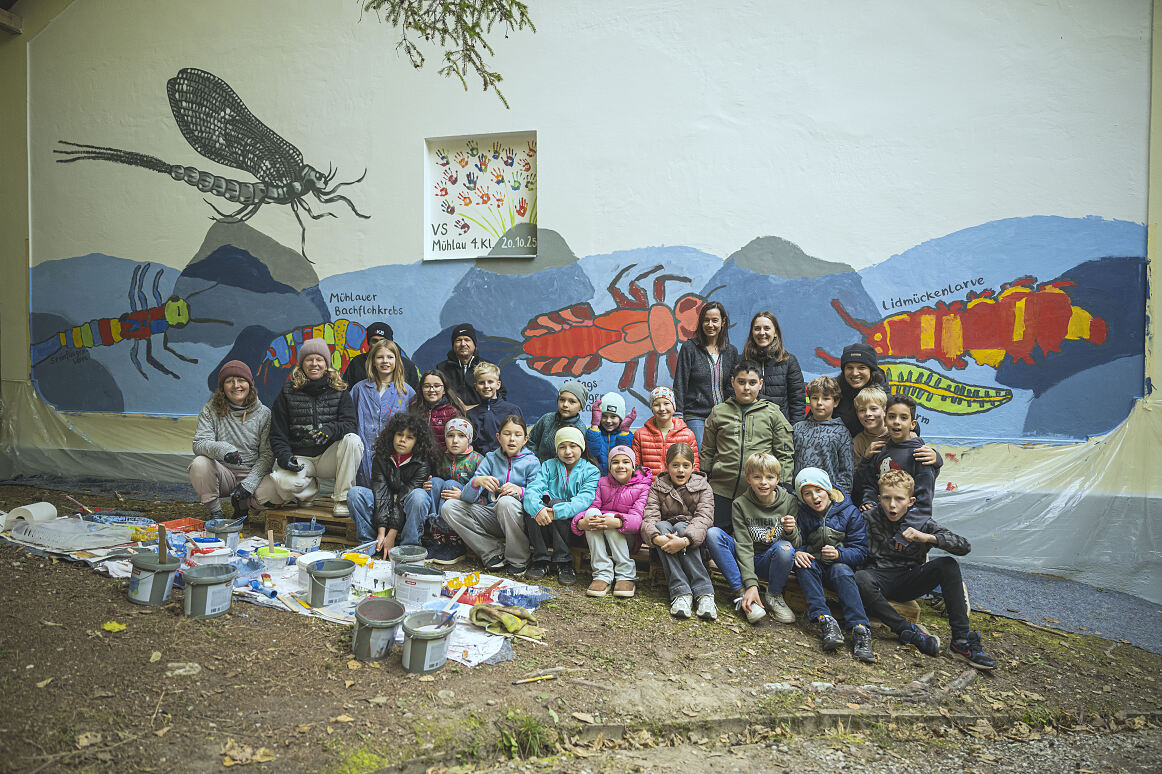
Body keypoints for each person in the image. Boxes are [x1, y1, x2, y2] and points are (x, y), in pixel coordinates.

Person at [855, 469, 997, 670]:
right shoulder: (867, 518)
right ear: (879, 498)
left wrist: (929, 538)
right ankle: (908, 631)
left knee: (948, 565)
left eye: (899, 499)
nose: (892, 505)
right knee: (860, 578)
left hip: (909, 579)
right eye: (886, 498)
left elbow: (964, 546)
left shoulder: (921, 522)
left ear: (911, 501)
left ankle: (961, 642)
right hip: (877, 577)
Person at [263, 339, 362, 517]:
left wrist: (330, 430)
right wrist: (285, 458)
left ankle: (341, 499)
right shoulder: (287, 392)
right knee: (281, 482)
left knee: (353, 441)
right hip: (301, 458)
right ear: (302, 364)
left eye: (319, 359)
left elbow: (350, 425)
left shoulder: (340, 390)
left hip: (329, 458)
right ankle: (308, 490)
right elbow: (278, 434)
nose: (314, 364)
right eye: (309, 359)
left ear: (326, 364)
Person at [790, 467, 875, 663]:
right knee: (805, 566)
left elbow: (861, 551)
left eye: (818, 490)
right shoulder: (801, 513)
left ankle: (860, 629)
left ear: (827, 490)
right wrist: (799, 551)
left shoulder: (849, 512)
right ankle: (825, 621)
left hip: (839, 566)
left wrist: (840, 554)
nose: (815, 498)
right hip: (814, 563)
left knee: (842, 571)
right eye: (807, 493)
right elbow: (797, 539)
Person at [701, 360, 795, 534]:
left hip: (757, 492)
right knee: (715, 537)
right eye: (741, 382)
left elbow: (785, 453)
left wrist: (785, 484)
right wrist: (704, 474)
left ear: (760, 384)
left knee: (752, 540)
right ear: (732, 382)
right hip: (721, 489)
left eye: (752, 383)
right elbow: (708, 449)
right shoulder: (719, 412)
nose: (746, 388)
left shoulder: (772, 413)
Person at [704, 453, 798, 625]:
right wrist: (751, 585)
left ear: (778, 479)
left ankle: (773, 595)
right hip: (744, 558)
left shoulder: (789, 502)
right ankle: (742, 595)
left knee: (785, 548)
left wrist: (791, 531)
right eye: (757, 477)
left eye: (769, 477)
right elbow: (744, 544)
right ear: (748, 478)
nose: (763, 482)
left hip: (768, 560)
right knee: (713, 534)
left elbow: (795, 545)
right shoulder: (740, 504)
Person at [442, 414, 541, 574]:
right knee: (450, 507)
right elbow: (467, 498)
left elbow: (538, 493)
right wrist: (476, 482)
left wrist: (520, 491)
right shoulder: (490, 459)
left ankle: (518, 559)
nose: (512, 439)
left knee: (506, 502)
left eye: (517, 435)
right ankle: (493, 552)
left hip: (520, 520)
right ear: (498, 437)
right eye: (507, 434)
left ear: (525, 439)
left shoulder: (532, 462)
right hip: (492, 515)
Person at [188, 360, 275, 518]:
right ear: (222, 387)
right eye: (230, 381)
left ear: (250, 384)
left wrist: (249, 484)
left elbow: (268, 454)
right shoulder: (211, 409)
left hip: (252, 473)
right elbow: (199, 443)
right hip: (223, 474)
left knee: (280, 489)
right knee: (199, 463)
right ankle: (216, 512)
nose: (236, 385)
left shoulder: (264, 413)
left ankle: (244, 505)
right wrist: (223, 450)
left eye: (241, 380)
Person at [641, 442, 716, 620]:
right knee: (661, 527)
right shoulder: (658, 486)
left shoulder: (704, 487)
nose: (680, 470)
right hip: (666, 539)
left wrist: (684, 541)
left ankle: (704, 593)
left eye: (685, 466)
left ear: (693, 467)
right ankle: (681, 593)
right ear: (667, 467)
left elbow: (704, 518)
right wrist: (657, 539)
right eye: (675, 465)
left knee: (682, 527)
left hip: (694, 541)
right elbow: (649, 518)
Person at [522, 427, 601, 585]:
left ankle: (564, 562)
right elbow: (533, 489)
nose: (568, 451)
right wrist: (538, 510)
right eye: (562, 447)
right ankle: (540, 559)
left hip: (572, 530)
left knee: (556, 503)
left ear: (582, 447)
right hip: (544, 526)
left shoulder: (591, 471)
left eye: (573, 446)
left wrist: (555, 512)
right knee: (532, 506)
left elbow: (583, 500)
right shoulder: (548, 466)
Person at [572, 445, 652, 598]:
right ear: (609, 466)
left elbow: (638, 520)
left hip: (627, 540)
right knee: (591, 513)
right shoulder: (602, 483)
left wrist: (618, 522)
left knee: (611, 516)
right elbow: (592, 506)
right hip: (601, 538)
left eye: (625, 462)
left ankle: (625, 574)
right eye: (615, 462)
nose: (620, 466)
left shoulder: (643, 487)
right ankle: (602, 573)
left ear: (633, 465)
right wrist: (581, 522)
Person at [851, 386, 940, 508]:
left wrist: (937, 458)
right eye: (862, 410)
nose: (868, 414)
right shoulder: (858, 442)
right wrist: (866, 458)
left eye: (873, 409)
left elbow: (925, 471)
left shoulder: (906, 436)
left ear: (884, 412)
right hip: (878, 505)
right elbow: (863, 483)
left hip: (907, 506)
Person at [368, 412, 440, 555]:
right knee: (356, 494)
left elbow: (403, 498)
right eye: (399, 434)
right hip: (385, 505)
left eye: (409, 437)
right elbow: (380, 492)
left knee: (418, 496)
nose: (402, 440)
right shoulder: (381, 457)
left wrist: (391, 535)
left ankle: (409, 547)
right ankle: (371, 543)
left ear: (417, 442)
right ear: (392, 435)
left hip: (407, 511)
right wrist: (382, 532)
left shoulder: (422, 463)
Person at [673, 301, 738, 447]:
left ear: (723, 322)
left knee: (724, 456)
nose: (710, 325)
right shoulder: (690, 348)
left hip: (724, 415)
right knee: (701, 454)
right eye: (706, 320)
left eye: (715, 320)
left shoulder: (731, 352)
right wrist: (678, 416)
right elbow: (680, 382)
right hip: (696, 415)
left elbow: (732, 386)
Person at [350, 339, 414, 487]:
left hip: (395, 456)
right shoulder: (359, 389)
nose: (385, 361)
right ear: (372, 361)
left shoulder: (407, 392)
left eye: (390, 357)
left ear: (397, 361)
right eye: (380, 357)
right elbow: (349, 420)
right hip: (364, 454)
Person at [424, 417, 482, 564]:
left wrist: (463, 496)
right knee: (435, 482)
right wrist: (427, 486)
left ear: (469, 438)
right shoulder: (441, 458)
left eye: (461, 436)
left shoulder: (477, 460)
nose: (455, 440)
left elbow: (484, 494)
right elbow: (435, 487)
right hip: (445, 505)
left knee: (450, 484)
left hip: (468, 506)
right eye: (450, 435)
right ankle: (438, 538)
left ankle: (455, 543)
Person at [792, 376, 854, 495]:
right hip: (798, 495)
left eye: (826, 398)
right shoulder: (798, 428)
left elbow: (846, 472)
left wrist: (839, 499)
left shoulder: (841, 432)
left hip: (829, 499)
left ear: (836, 402)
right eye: (815, 398)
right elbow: (789, 463)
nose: (819, 403)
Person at [741, 311, 805, 425]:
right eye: (757, 329)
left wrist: (793, 431)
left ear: (775, 332)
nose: (762, 333)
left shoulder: (789, 361)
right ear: (752, 333)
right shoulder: (741, 361)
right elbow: (733, 395)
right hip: (749, 429)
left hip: (780, 430)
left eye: (767, 328)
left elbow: (797, 401)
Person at [632, 386, 698, 475]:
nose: (662, 408)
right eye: (656, 405)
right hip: (649, 487)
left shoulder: (687, 435)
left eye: (666, 403)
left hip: (679, 486)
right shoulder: (640, 435)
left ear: (674, 407)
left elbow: (695, 467)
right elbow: (636, 467)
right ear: (652, 408)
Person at [343, 322, 420, 393]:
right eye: (374, 341)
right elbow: (345, 392)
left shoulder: (407, 366)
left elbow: (415, 398)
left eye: (383, 341)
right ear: (368, 343)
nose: (378, 345)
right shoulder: (357, 363)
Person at [465, 362, 523, 456]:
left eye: (490, 382)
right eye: (481, 383)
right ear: (476, 387)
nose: (486, 386)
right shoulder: (470, 415)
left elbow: (519, 441)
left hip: (508, 462)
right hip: (481, 464)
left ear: (498, 384)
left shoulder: (512, 410)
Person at [526, 380, 589, 462]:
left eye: (572, 401)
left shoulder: (580, 428)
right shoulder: (547, 419)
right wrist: (536, 461)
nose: (565, 405)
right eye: (562, 400)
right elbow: (531, 441)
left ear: (581, 407)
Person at [834, 343, 887, 437]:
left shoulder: (884, 396)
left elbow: (908, 426)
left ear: (871, 370)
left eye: (861, 367)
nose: (855, 373)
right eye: (849, 367)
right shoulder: (834, 393)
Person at [409, 369, 468, 451]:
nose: (431, 390)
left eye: (436, 386)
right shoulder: (414, 407)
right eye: (426, 386)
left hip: (445, 458)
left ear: (444, 389)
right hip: (418, 456)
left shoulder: (452, 411)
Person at [584, 391, 635, 476]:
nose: (608, 421)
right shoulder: (595, 433)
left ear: (620, 418)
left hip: (618, 480)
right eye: (604, 416)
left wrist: (624, 431)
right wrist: (595, 425)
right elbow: (593, 453)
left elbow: (622, 453)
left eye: (613, 416)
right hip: (597, 480)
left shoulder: (625, 435)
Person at [436, 323, 483, 406]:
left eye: (467, 340)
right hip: (450, 415)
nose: (463, 344)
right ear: (453, 345)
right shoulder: (441, 368)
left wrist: (474, 408)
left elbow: (498, 398)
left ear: (474, 344)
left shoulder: (486, 367)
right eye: (458, 340)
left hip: (480, 416)